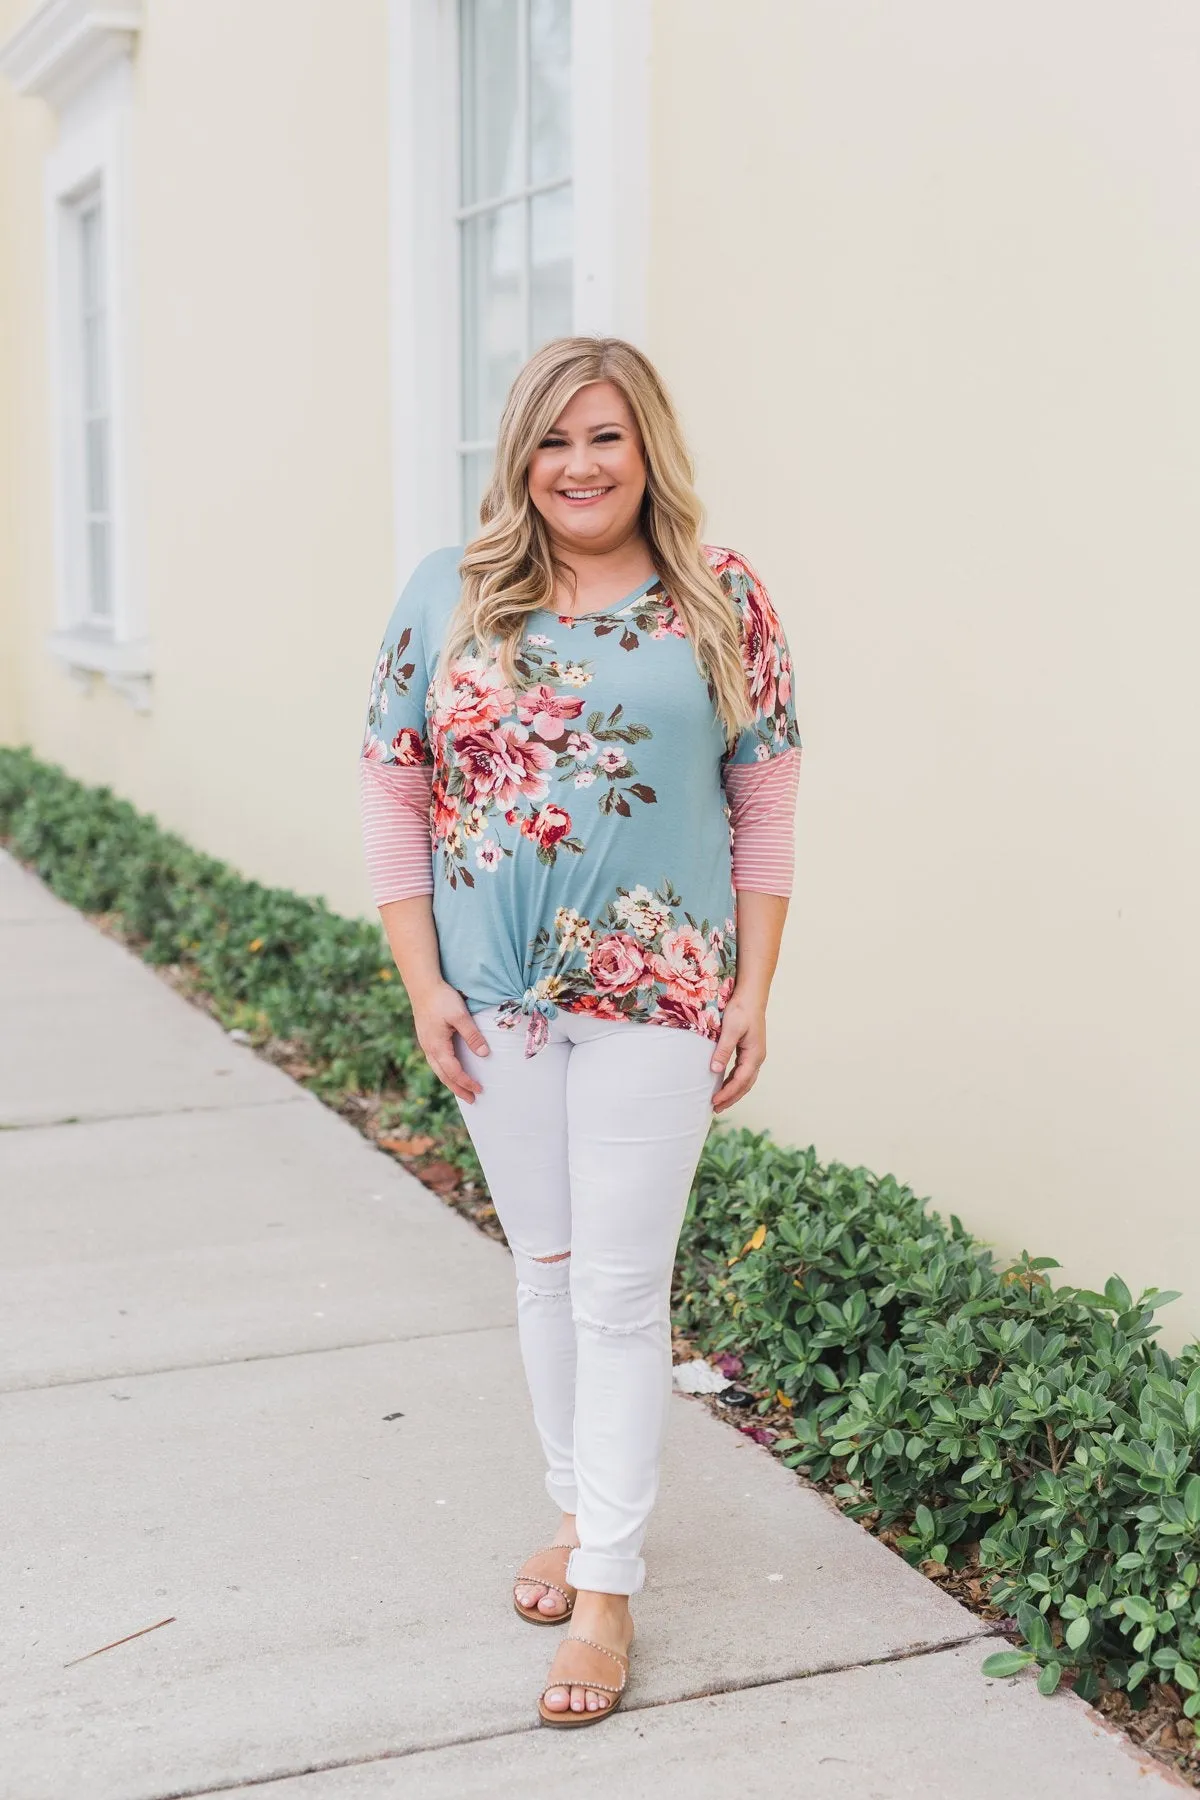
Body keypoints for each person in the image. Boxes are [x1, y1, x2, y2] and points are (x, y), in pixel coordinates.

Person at [359, 336, 800, 1728]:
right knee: (543, 1271)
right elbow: (395, 794)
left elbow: (766, 807)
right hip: (492, 1000)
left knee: (618, 1287)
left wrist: (753, 989)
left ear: (646, 449)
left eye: (605, 437)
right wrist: (422, 980)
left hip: (659, 996)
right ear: (520, 456)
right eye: (555, 440)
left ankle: (606, 1582)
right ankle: (578, 1511)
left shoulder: (722, 600)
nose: (580, 466)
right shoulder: (449, 593)